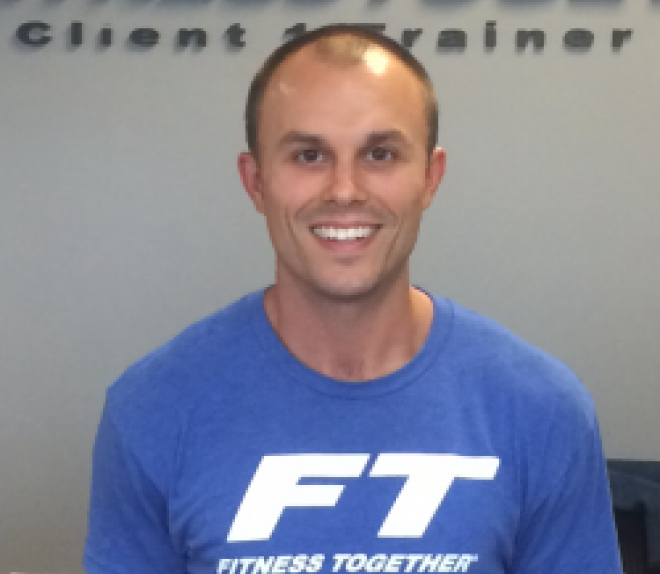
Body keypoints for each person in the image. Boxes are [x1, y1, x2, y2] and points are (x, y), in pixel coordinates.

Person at [84, 25, 622, 574]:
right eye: (308, 155)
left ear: (430, 177)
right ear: (256, 182)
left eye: (380, 154)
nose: (344, 190)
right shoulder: (152, 409)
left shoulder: (541, 409)